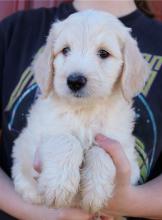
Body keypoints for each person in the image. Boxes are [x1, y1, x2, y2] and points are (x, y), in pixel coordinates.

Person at [0, 0, 162, 219]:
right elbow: (25, 161)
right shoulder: (14, 31)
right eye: (65, 50)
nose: (77, 74)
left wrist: (130, 202)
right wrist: (44, 215)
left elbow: (126, 170)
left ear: (127, 68)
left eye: (103, 54)